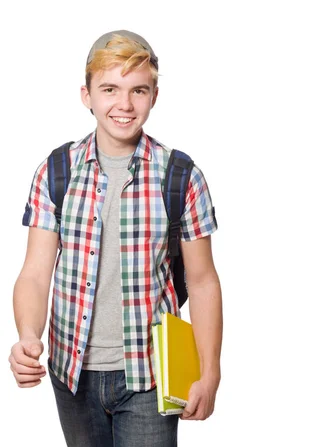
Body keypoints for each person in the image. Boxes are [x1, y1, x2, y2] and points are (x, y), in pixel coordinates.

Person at [9, 30, 222, 446]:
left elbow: (202, 280)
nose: (124, 105)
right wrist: (28, 336)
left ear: (154, 96)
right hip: (72, 373)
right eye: (110, 89)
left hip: (150, 372)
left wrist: (210, 370)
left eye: (138, 90)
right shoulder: (56, 172)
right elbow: (35, 273)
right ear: (86, 95)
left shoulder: (180, 176)